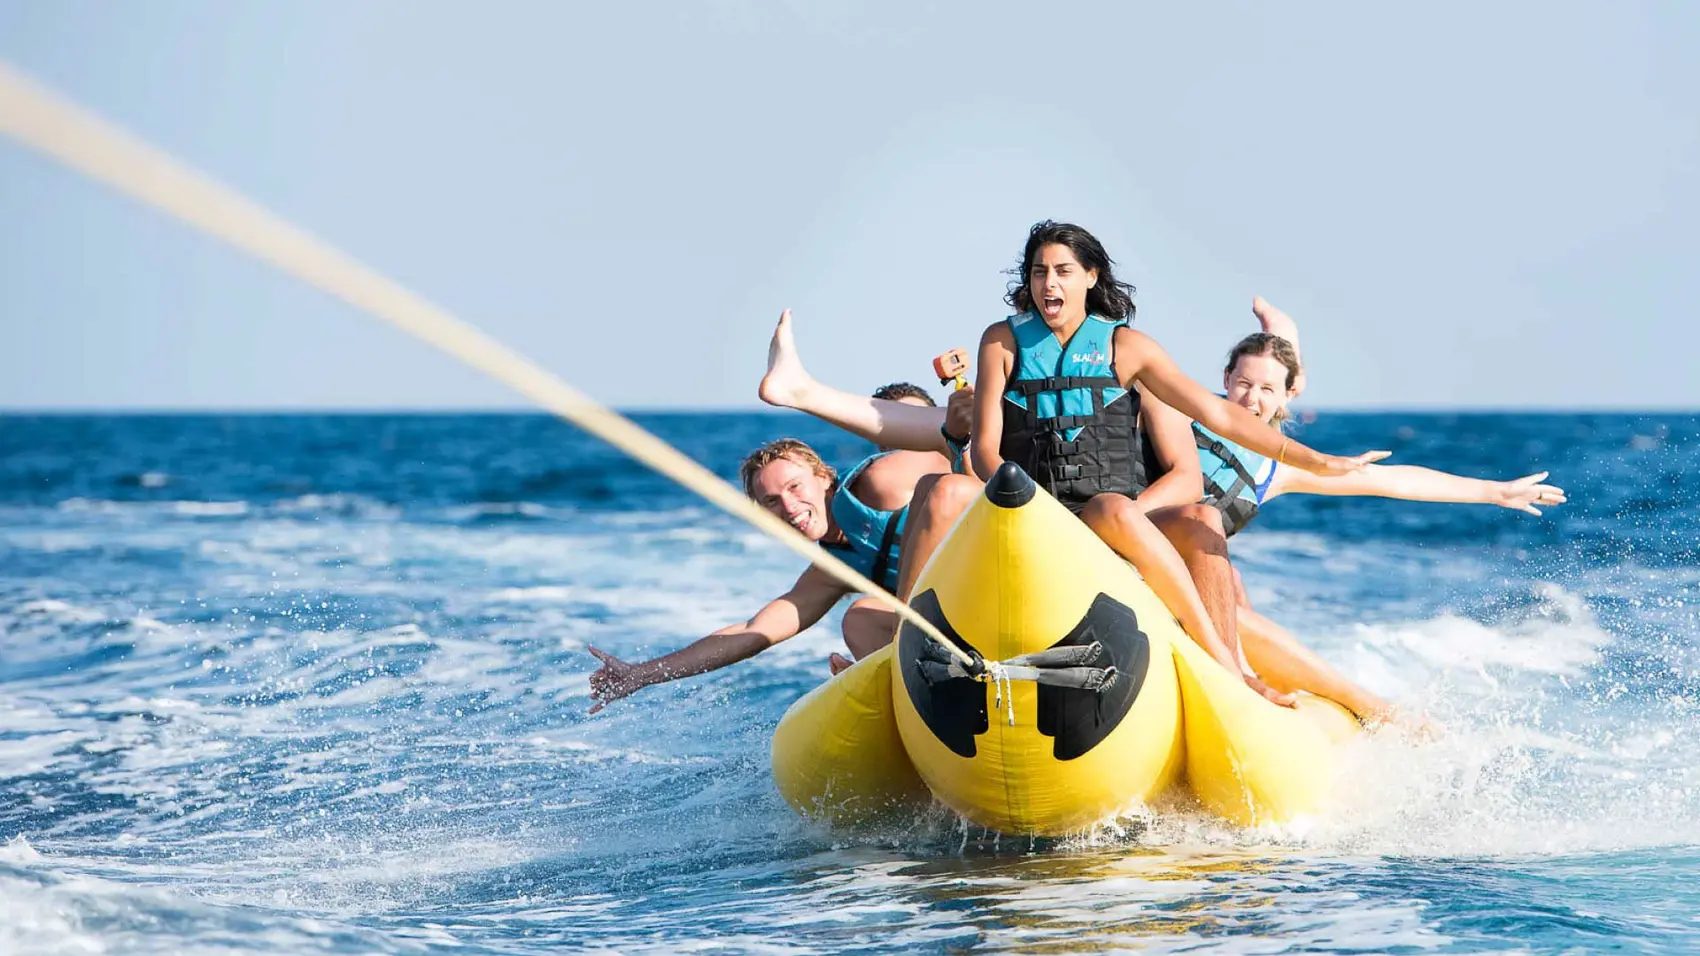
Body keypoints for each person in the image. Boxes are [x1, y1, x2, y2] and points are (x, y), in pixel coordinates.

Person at [586, 359, 978, 713]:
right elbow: (751, 633)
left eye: (794, 487)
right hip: (963, 625)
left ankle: (894, 675)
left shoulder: (879, 481)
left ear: (824, 476)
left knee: (863, 613)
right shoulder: (834, 568)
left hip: (1000, 567)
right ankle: (917, 697)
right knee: (860, 622)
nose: (789, 507)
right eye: (771, 501)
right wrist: (642, 674)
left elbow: (946, 454)